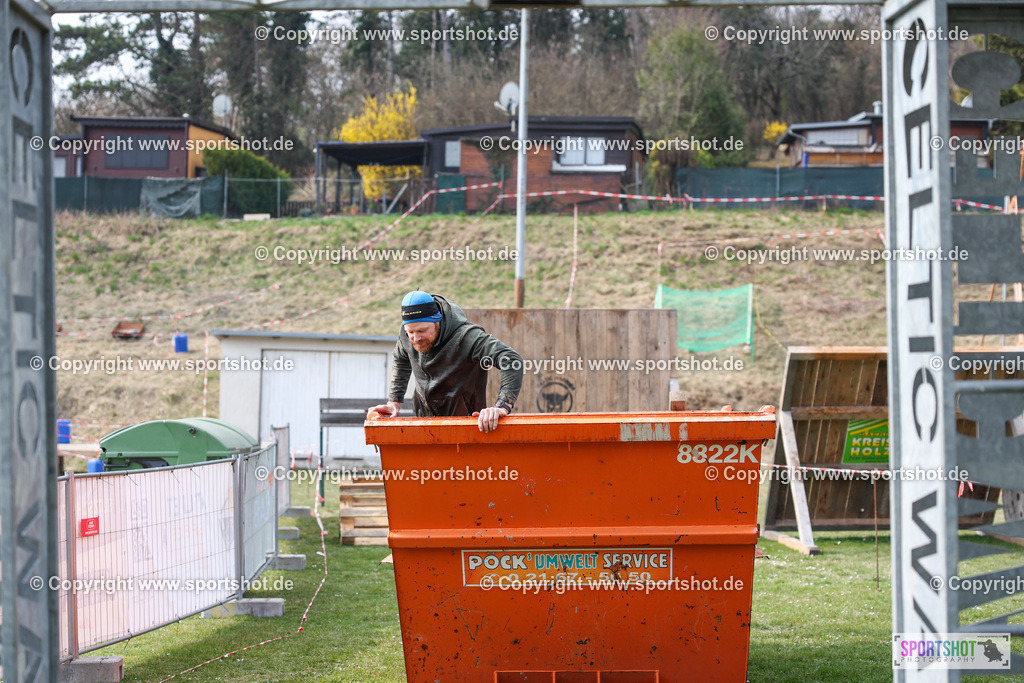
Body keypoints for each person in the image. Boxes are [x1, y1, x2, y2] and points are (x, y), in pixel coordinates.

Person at [369, 291, 524, 432]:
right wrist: (394, 403)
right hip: (425, 424)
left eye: (422, 331)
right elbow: (401, 358)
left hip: (468, 425)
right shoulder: (406, 335)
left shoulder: (467, 337)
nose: (416, 338)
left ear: (438, 321)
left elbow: (511, 360)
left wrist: (502, 406)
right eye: (411, 332)